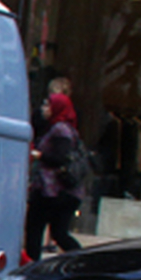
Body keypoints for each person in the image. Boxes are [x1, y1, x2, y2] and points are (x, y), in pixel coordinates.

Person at [25, 89, 87, 258]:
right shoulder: (60, 127)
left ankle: (32, 265)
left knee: (35, 229)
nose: (44, 108)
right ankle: (81, 260)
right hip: (58, 191)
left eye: (47, 105)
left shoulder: (60, 130)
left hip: (51, 190)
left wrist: (38, 155)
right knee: (58, 233)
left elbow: (60, 157)